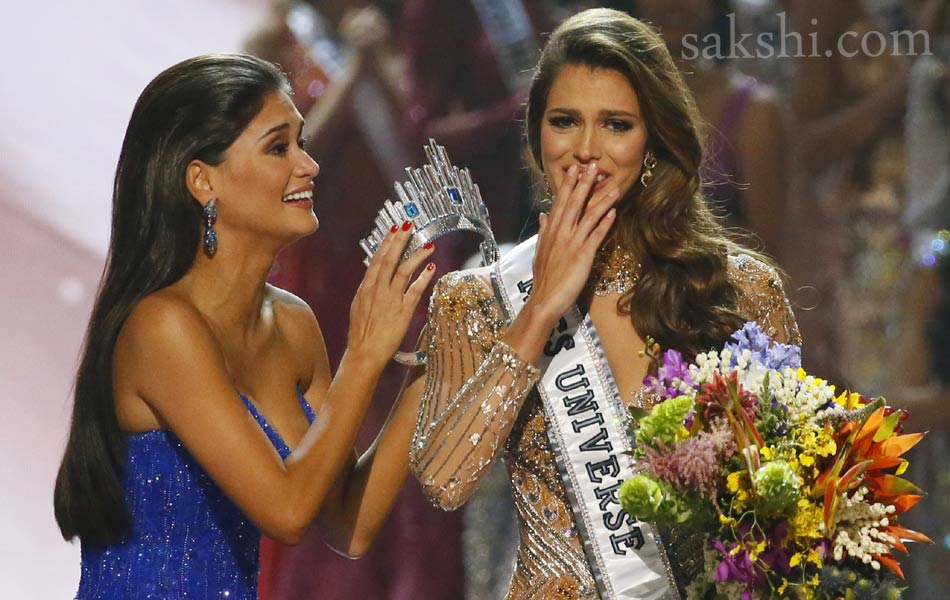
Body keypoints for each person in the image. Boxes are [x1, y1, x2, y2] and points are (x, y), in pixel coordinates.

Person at [409, 9, 800, 599]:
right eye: (565, 121)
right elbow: (443, 481)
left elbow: (793, 504)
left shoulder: (740, 291)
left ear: (653, 143)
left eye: (616, 125)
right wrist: (540, 310)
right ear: (536, 135)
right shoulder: (478, 297)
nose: (586, 150)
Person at [53, 53, 436, 599]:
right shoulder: (161, 327)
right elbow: (286, 510)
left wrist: (433, 362)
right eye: (279, 147)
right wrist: (363, 357)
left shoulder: (292, 324)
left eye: (300, 142)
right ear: (202, 180)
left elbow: (346, 520)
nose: (309, 164)